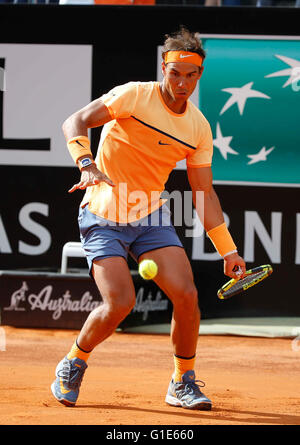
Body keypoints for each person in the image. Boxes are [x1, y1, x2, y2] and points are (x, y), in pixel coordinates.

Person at [51, 26, 246, 411]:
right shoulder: (133, 95)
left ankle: (182, 382)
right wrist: (86, 163)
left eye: (191, 75)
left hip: (150, 215)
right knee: (120, 303)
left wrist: (229, 251)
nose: (182, 83)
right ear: (163, 68)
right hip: (102, 213)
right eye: (175, 73)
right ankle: (74, 360)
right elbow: (74, 121)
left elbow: (203, 193)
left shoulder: (198, 128)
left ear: (200, 76)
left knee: (187, 296)